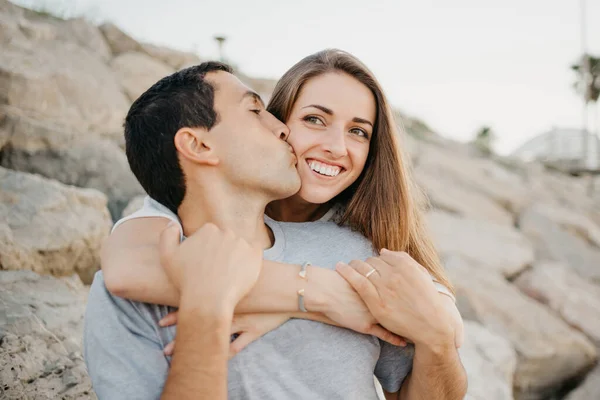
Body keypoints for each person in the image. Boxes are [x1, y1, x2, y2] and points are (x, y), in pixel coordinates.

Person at [87, 50, 467, 399]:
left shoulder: (354, 252)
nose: (336, 146)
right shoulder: (143, 262)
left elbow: (440, 336)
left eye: (359, 131)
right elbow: (123, 267)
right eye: (313, 119)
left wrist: (436, 334)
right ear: (199, 145)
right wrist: (307, 296)